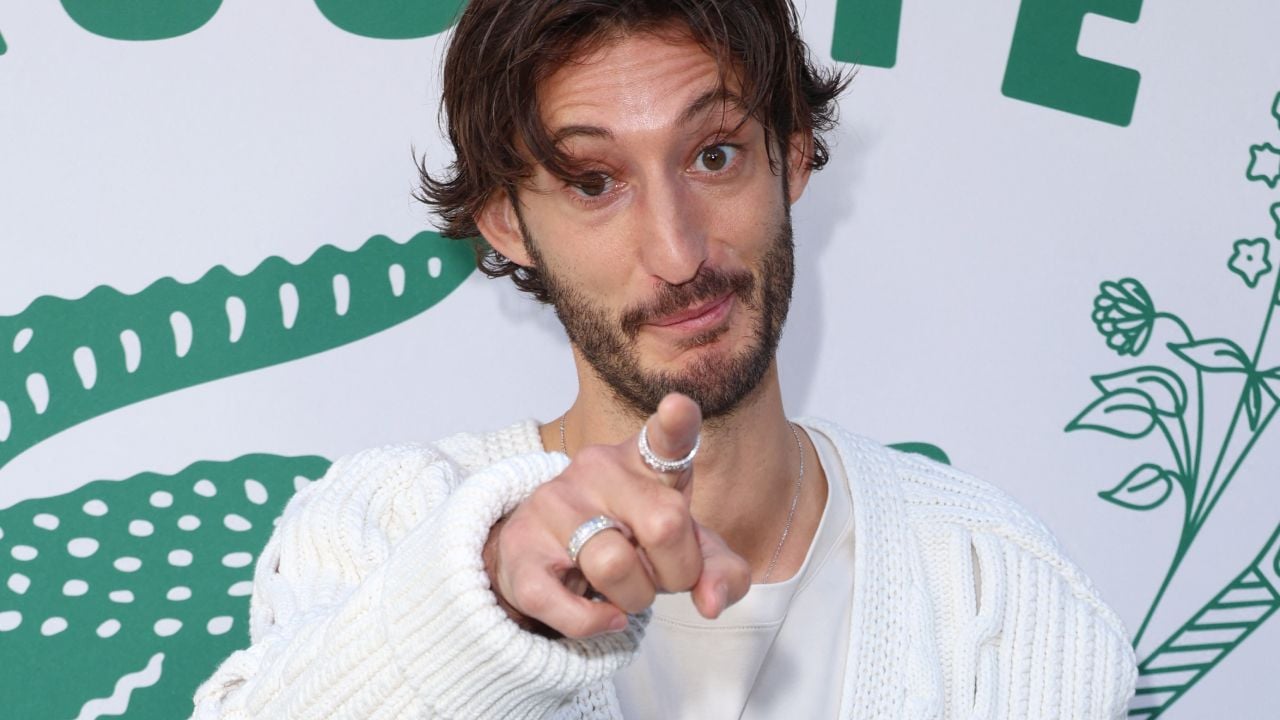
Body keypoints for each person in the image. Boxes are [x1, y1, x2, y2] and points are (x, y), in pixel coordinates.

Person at [192, 1, 1137, 718]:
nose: (680, 254)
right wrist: (481, 613)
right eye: (594, 182)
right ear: (507, 224)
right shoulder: (388, 527)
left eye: (714, 155)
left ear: (793, 156)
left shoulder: (989, 584)